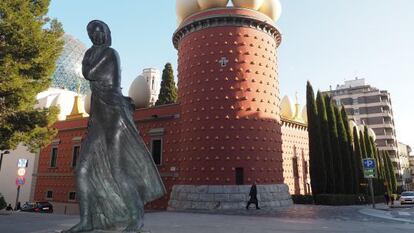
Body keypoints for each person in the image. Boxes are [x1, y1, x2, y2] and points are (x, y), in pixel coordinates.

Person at [62, 20, 165, 233]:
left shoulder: (110, 54)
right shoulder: (90, 53)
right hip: (98, 120)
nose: (97, 35)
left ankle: (135, 219)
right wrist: (87, 62)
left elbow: (88, 73)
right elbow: (87, 71)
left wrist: (88, 63)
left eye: (101, 31)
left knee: (118, 170)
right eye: (93, 32)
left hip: (115, 117)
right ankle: (87, 221)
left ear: (107, 34)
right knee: (82, 170)